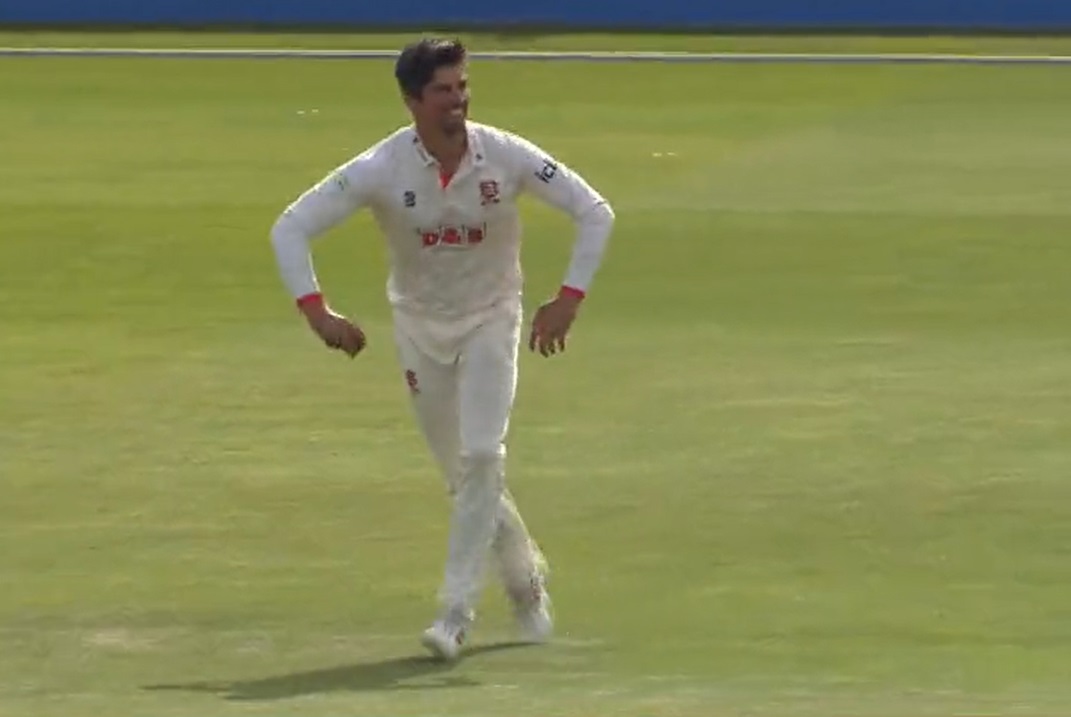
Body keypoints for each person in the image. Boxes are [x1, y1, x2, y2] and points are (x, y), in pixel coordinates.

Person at [269, 36, 615, 661]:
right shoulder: (381, 168)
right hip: (419, 329)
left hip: (492, 318)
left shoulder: (505, 155)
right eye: (442, 91)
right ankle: (526, 578)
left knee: (483, 452)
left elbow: (594, 210)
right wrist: (317, 313)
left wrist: (568, 298)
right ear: (411, 101)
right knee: (464, 476)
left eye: (462, 88)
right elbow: (290, 227)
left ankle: (455, 613)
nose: (457, 102)